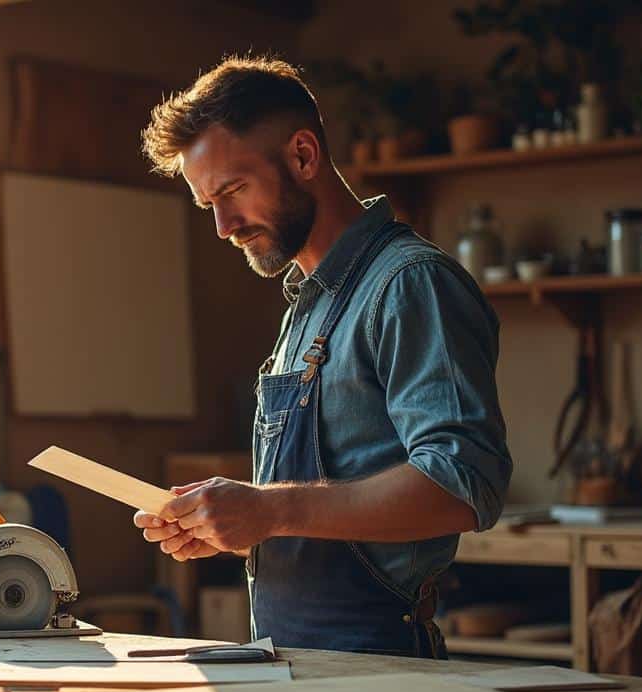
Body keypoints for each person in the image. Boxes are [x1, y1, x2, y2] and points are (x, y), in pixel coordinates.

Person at [134, 55, 511, 657]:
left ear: (303, 156)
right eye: (209, 205)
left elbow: (464, 482)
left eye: (233, 191)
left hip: (385, 672)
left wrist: (271, 509)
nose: (224, 226)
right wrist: (235, 526)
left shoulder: (409, 283)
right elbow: (314, 510)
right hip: (294, 665)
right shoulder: (306, 307)